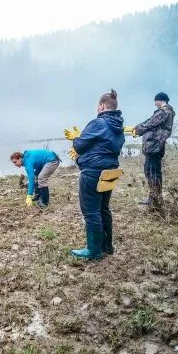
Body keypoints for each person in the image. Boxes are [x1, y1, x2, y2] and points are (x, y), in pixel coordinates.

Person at [64, 89, 125, 259]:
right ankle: (107, 246)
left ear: (102, 106)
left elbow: (79, 146)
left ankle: (94, 250)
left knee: (91, 212)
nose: (96, 110)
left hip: (93, 172)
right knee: (103, 209)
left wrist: (77, 137)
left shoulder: (98, 123)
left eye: (97, 107)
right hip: (110, 171)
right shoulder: (118, 126)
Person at [124, 92, 175, 212]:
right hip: (156, 146)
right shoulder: (168, 112)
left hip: (154, 146)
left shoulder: (163, 112)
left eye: (155, 101)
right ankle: (154, 197)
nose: (155, 103)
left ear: (160, 100)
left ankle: (156, 200)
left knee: (152, 172)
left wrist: (135, 130)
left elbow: (149, 123)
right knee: (152, 171)